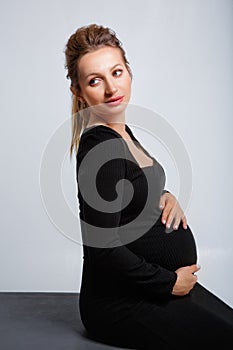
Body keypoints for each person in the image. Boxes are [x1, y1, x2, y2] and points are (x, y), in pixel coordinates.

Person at [64, 24, 233, 349]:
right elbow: (102, 249)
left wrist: (165, 196)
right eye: (95, 80)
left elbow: (130, 193)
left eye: (116, 72)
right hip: (121, 304)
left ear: (129, 71)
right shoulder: (101, 147)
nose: (112, 87)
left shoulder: (122, 133)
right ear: (79, 91)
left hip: (147, 290)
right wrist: (169, 282)